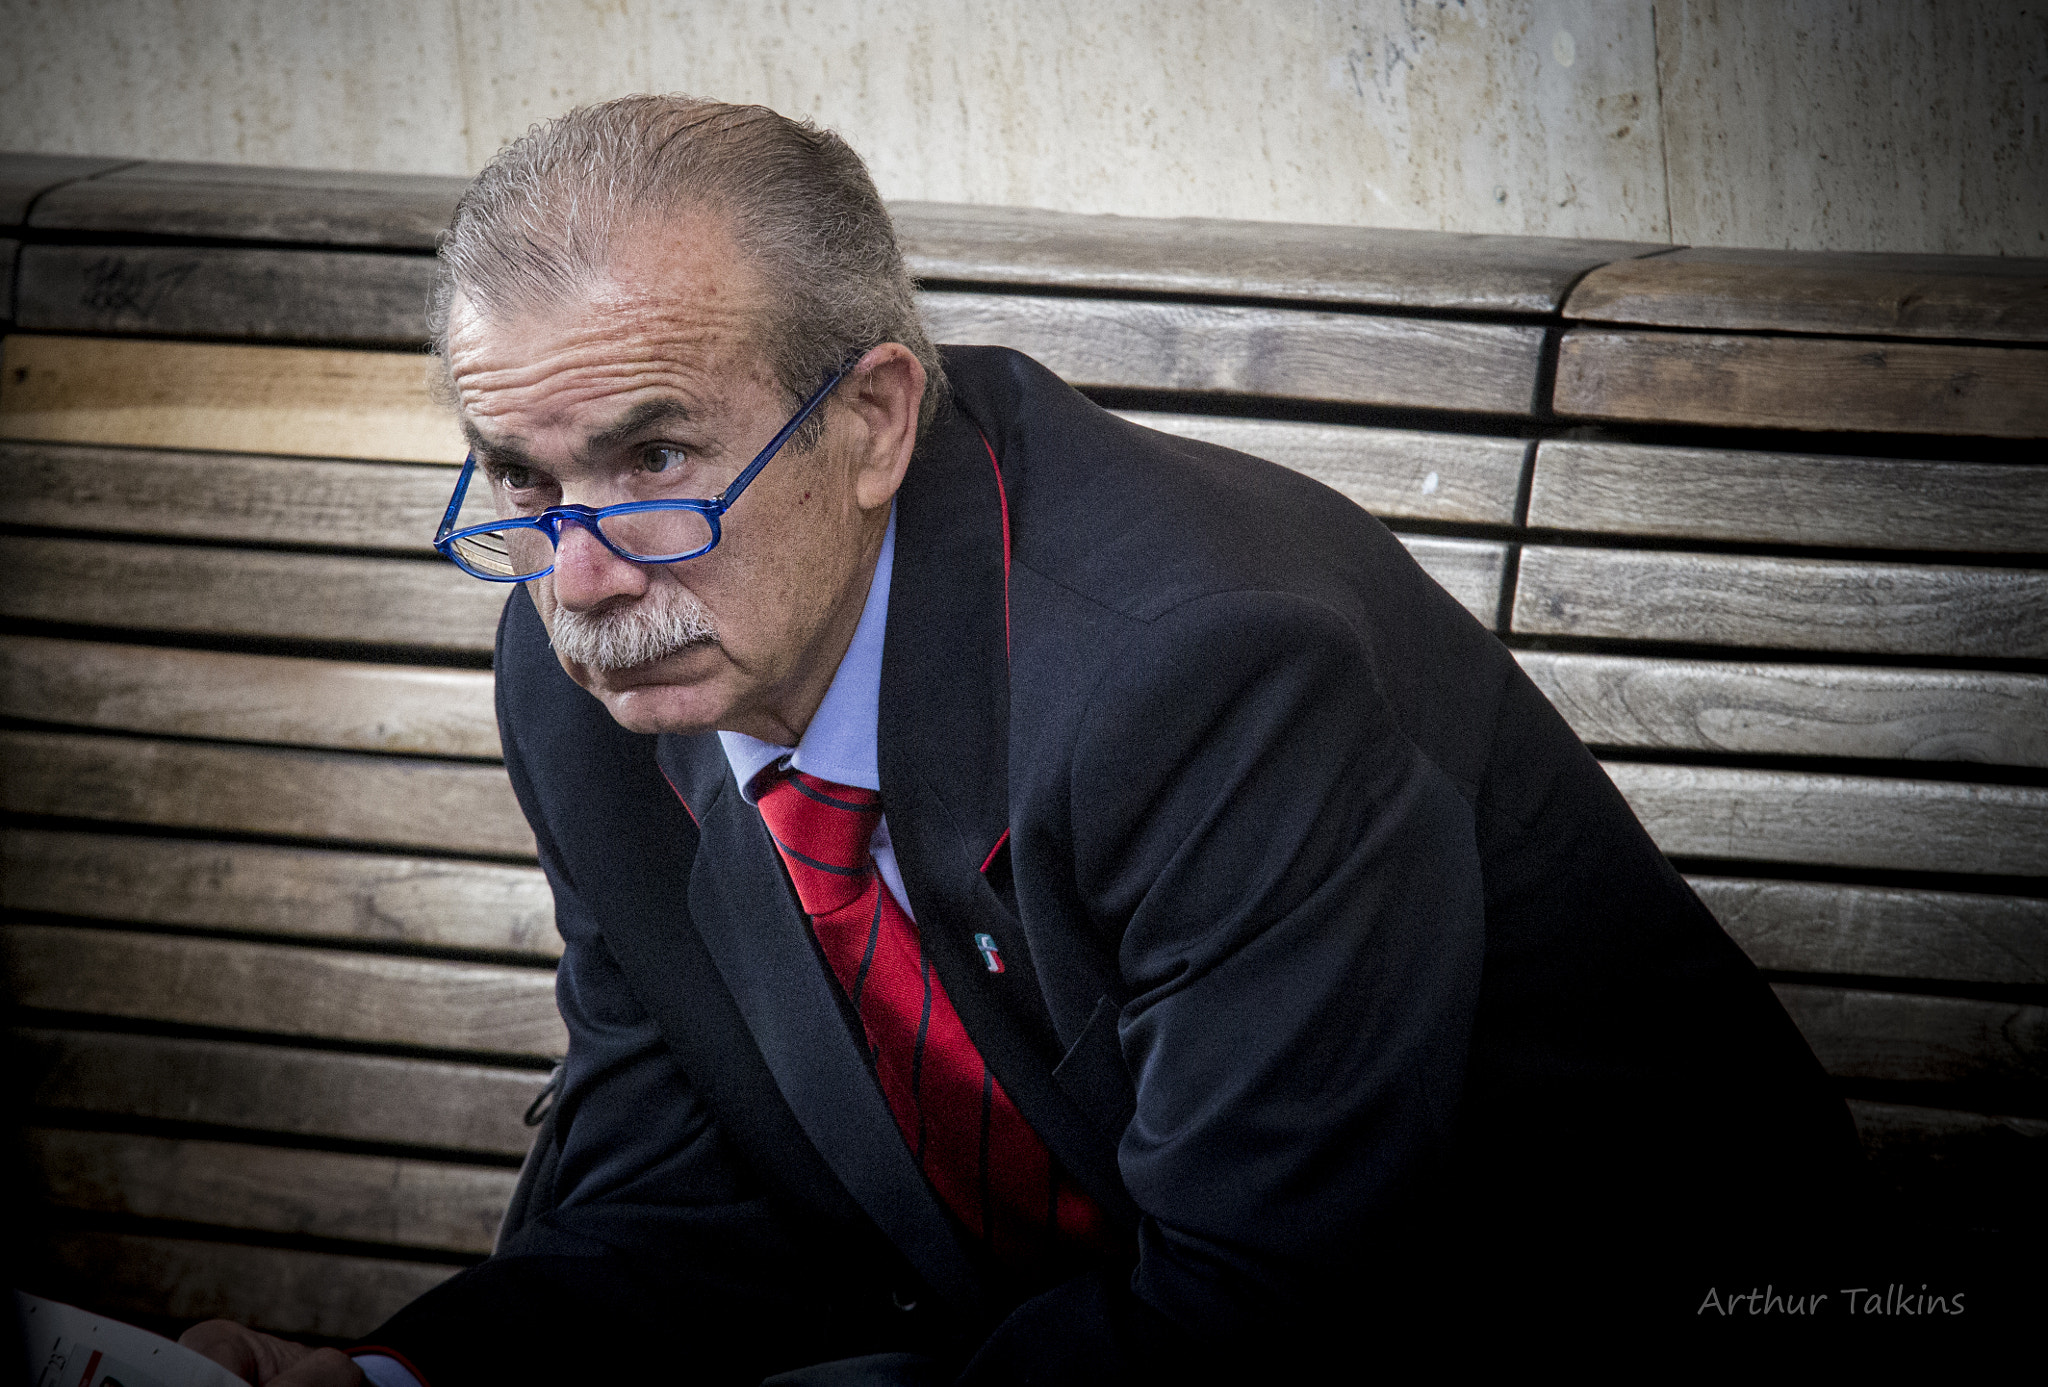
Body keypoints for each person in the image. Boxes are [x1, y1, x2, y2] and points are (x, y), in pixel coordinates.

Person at [183, 97, 1861, 1385]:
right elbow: (677, 1192)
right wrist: (404, 1376)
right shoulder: (597, 675)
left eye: (656, 457)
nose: (586, 571)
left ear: (873, 421)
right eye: (529, 481)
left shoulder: (1201, 671)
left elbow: (1271, 1308)